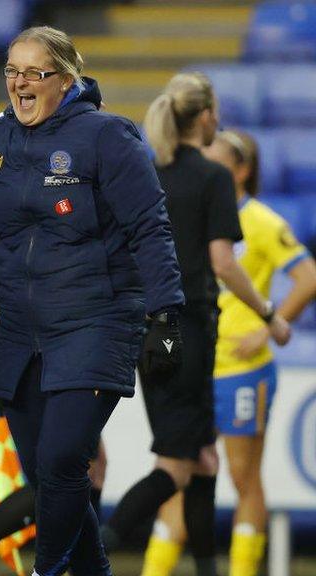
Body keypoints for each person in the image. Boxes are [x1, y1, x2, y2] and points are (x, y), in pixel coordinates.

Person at [0, 26, 186, 575]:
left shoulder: (108, 137)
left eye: (35, 73)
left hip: (96, 321)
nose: (19, 84)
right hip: (17, 330)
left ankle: (46, 570)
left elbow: (150, 228)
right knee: (46, 474)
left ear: (67, 79)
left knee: (62, 460)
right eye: (12, 71)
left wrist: (167, 316)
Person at [100, 74, 292, 576]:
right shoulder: (212, 178)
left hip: (148, 330)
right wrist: (270, 315)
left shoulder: (145, 172)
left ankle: (206, 567)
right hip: (191, 331)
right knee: (178, 466)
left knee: (204, 460)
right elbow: (224, 262)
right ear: (205, 116)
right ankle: (93, 549)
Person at [139, 130, 316, 576]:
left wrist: (270, 325)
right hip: (192, 364)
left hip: (240, 368)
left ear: (241, 170)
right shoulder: (188, 212)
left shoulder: (260, 221)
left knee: (242, 477)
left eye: (216, 162)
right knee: (179, 475)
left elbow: (308, 277)